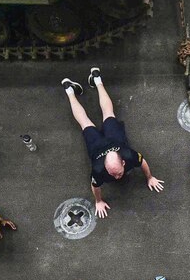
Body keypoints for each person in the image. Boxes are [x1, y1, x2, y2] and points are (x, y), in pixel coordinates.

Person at [60, 67, 164, 218]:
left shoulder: (129, 155)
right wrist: (98, 201)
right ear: (105, 168)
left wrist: (150, 177)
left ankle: (96, 80)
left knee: (105, 114)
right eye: (113, 175)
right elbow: (95, 186)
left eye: (118, 174)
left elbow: (143, 162)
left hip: (114, 140)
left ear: (123, 162)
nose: (117, 178)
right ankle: (70, 90)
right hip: (97, 147)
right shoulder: (98, 169)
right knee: (85, 121)